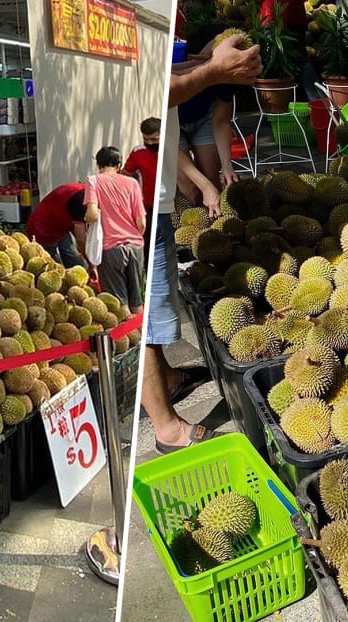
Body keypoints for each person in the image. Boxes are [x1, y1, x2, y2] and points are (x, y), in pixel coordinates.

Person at [142, 34, 262, 454]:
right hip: (135, 193)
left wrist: (205, 62)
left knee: (153, 307)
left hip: (141, 189)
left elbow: (215, 120)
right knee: (143, 320)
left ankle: (168, 380)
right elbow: (150, 94)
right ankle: (166, 429)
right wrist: (211, 70)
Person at [178, 24, 238, 201]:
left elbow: (221, 121)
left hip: (204, 118)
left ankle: (213, 218)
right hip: (172, 126)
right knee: (189, 187)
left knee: (212, 175)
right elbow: (166, 139)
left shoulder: (230, 71)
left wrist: (227, 166)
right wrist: (203, 186)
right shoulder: (173, 61)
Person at [83, 146, 145, 315]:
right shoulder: (132, 183)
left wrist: (88, 220)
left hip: (111, 248)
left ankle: (127, 340)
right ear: (119, 165)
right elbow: (141, 222)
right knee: (137, 301)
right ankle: (142, 336)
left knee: (118, 304)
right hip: (136, 246)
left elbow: (93, 214)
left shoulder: (93, 181)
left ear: (99, 165)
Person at [122, 117, 160, 264]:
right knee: (148, 241)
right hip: (147, 204)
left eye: (154, 139)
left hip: (171, 198)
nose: (150, 143)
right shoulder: (138, 152)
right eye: (146, 139)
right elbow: (126, 174)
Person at [25, 182, 88, 269]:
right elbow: (80, 238)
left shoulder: (84, 190)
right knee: (53, 268)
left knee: (74, 258)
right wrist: (91, 262)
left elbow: (77, 229)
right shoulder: (80, 198)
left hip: (60, 227)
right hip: (42, 229)